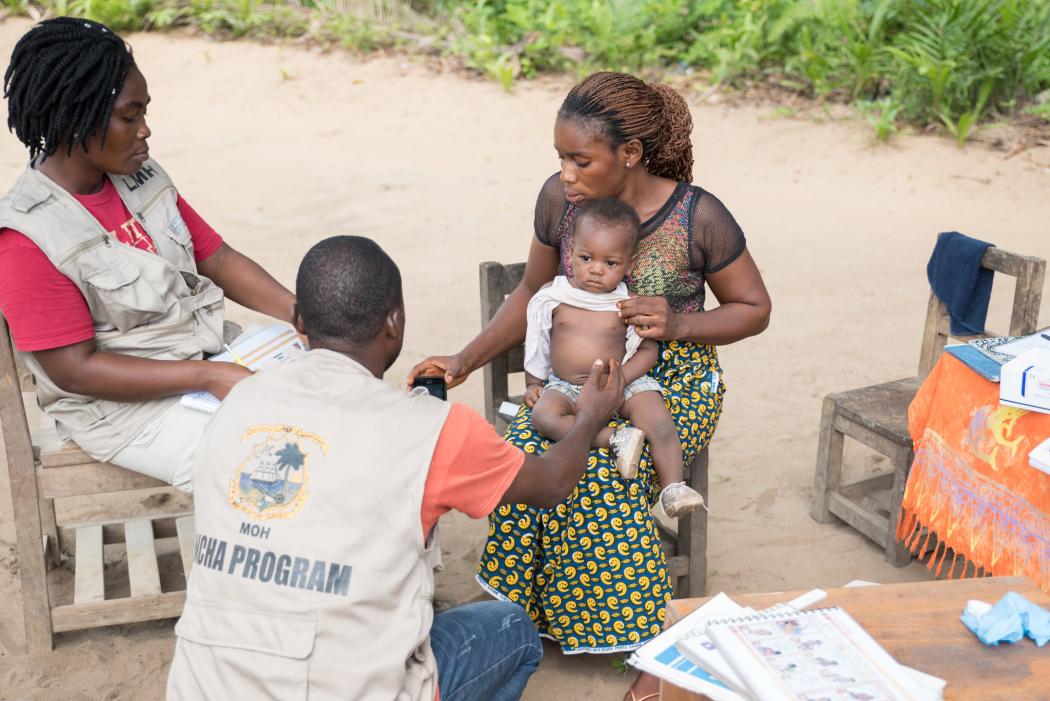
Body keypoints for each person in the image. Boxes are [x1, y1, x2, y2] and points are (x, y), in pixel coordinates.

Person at [409, 71, 772, 701]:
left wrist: (679, 321)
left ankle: (639, 637)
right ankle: (535, 610)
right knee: (527, 444)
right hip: (569, 376)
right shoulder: (559, 202)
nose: (566, 175)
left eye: (581, 160)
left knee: (605, 460)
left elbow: (754, 308)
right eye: (561, 159)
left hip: (666, 374)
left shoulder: (697, 215)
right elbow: (530, 293)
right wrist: (465, 359)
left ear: (628, 154)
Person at [166, 235, 627, 701]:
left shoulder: (238, 401)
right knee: (510, 628)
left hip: (202, 685)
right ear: (395, 323)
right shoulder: (432, 428)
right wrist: (589, 416)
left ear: (301, 321)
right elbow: (550, 484)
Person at [0, 17, 295, 490]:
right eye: (129, 117)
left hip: (204, 359)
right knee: (285, 463)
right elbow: (75, 371)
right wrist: (209, 378)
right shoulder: (28, 237)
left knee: (335, 404)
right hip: (125, 414)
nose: (145, 131)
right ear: (76, 118)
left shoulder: (140, 175)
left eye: (144, 113)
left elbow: (216, 258)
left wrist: (299, 312)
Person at [525, 197, 705, 517]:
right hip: (568, 385)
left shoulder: (629, 304)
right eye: (586, 257)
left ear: (628, 263)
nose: (596, 269)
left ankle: (673, 488)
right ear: (570, 253)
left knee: (658, 417)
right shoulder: (553, 298)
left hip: (621, 382)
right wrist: (533, 382)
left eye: (610, 263)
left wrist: (621, 379)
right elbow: (537, 341)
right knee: (544, 417)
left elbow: (649, 350)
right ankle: (616, 439)